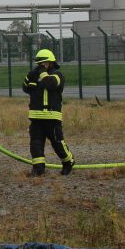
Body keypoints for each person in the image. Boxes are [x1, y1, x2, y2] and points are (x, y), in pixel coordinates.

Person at [22, 48, 75, 176]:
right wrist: (32, 76)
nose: (41, 66)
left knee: (57, 143)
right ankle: (38, 168)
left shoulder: (57, 75)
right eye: (39, 64)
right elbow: (25, 87)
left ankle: (68, 162)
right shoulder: (36, 74)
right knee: (36, 143)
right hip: (36, 117)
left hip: (52, 117)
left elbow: (51, 84)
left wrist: (42, 74)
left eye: (43, 63)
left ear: (50, 63)